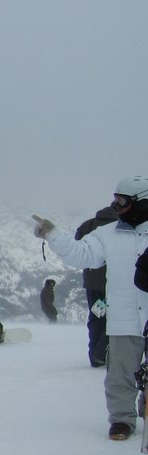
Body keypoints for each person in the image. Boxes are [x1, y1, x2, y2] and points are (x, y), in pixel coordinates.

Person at [34, 176, 148, 441]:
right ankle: (121, 420)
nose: (116, 205)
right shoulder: (107, 234)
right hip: (124, 318)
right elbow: (81, 254)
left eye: (123, 200)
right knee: (119, 373)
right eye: (115, 199)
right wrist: (53, 234)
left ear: (141, 202)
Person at [76, 205, 119, 366]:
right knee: (114, 318)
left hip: (92, 282)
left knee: (96, 316)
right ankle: (102, 353)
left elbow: (78, 248)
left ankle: (94, 354)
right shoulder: (121, 227)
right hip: (113, 281)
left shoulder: (88, 225)